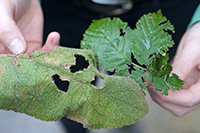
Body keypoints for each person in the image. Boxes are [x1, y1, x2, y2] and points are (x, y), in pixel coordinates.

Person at [0, 0, 199, 133]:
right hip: (53, 9)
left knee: (133, 84)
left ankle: (125, 119)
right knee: (68, 91)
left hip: (169, 8)